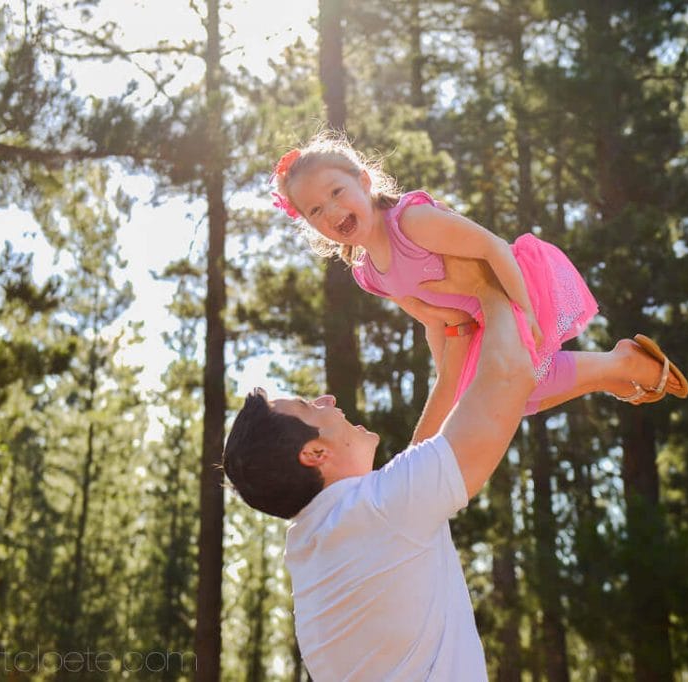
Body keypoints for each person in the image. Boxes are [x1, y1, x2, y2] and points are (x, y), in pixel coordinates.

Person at [222, 256, 537, 679]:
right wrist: (488, 286)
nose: (327, 401)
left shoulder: (314, 544)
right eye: (309, 407)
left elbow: (417, 469)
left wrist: (458, 337)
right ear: (314, 454)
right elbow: (511, 376)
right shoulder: (380, 512)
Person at [269, 132, 688, 435]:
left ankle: (620, 365)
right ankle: (615, 368)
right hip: (480, 317)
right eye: (316, 211)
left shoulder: (411, 223)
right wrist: (447, 379)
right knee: (513, 399)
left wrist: (525, 314)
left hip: (512, 283)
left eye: (338, 192)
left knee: (522, 379)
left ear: (364, 181)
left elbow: (492, 248)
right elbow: (436, 322)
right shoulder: (370, 274)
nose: (331, 211)